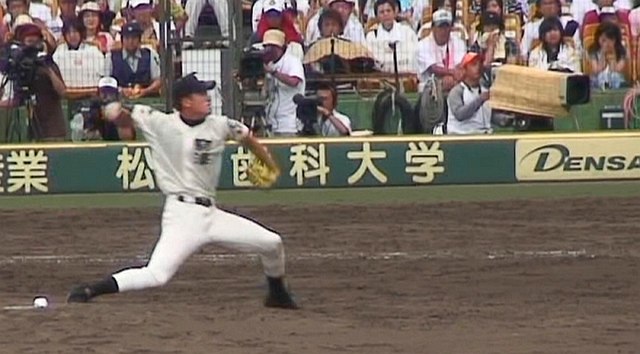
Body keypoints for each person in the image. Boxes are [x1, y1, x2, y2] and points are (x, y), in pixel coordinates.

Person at [66, 73, 298, 309]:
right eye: (201, 94)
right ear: (186, 102)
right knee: (157, 274)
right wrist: (110, 110)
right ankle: (91, 289)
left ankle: (277, 294)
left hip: (212, 215)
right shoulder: (162, 123)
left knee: (272, 243)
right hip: (182, 215)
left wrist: (267, 162)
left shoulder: (219, 124)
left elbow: (247, 137)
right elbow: (123, 117)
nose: (207, 97)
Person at [0, 15, 67, 141]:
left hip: (51, 128)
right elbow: (13, 95)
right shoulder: (18, 64)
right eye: (29, 42)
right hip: (24, 125)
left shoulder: (48, 63)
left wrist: (47, 70)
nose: (33, 47)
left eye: (36, 42)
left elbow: (62, 91)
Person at [447, 52, 504, 134]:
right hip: (462, 136)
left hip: (484, 135)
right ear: (465, 69)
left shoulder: (485, 91)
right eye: (474, 64)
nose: (478, 67)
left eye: (480, 64)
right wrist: (480, 100)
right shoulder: (456, 91)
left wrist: (504, 119)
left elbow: (487, 116)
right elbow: (459, 115)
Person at [262, 29, 305, 136]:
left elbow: (294, 81)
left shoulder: (292, 61)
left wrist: (274, 73)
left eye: (272, 47)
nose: (269, 50)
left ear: (280, 47)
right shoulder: (268, 64)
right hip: (271, 121)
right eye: (266, 47)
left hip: (289, 123)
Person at [104, 22, 161, 98]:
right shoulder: (111, 56)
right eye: (127, 38)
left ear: (139, 39)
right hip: (119, 100)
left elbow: (158, 80)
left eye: (134, 38)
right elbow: (106, 83)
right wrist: (121, 90)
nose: (130, 41)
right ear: (122, 40)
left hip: (146, 99)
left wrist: (145, 91)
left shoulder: (150, 54)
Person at [416, 9, 466, 92]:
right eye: (440, 26)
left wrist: (452, 76)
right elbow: (433, 68)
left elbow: (460, 65)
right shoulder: (422, 45)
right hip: (429, 86)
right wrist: (452, 73)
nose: (444, 30)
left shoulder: (459, 42)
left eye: (447, 26)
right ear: (433, 28)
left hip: (454, 82)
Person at [366, 0, 418, 73]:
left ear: (394, 13)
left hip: (406, 76)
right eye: (381, 12)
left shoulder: (408, 32)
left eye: (388, 10)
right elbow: (373, 62)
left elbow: (414, 57)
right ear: (377, 16)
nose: (385, 14)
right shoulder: (371, 36)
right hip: (381, 78)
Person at [588, 21, 628, 89]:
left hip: (616, 78)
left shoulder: (621, 50)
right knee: (599, 77)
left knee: (615, 76)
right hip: (597, 79)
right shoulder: (593, 50)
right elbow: (597, 70)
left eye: (610, 40)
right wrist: (602, 54)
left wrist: (613, 55)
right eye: (603, 40)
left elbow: (617, 69)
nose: (606, 43)